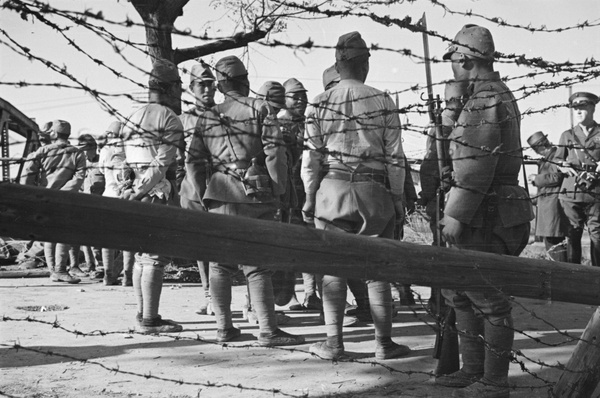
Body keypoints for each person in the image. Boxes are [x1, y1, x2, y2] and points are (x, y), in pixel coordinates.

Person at [435, 25, 534, 398]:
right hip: (489, 207)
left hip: (484, 211)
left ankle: (493, 381)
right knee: (460, 291)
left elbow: (475, 165)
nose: (452, 69)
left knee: (487, 298)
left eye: (454, 61)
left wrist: (456, 214)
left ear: (465, 59)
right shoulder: (487, 95)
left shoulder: (485, 99)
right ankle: (473, 370)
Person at [301, 31, 411, 361]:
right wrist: (396, 196)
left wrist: (309, 195)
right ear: (365, 64)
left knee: (333, 267)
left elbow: (311, 157)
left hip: (332, 186)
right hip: (373, 187)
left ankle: (334, 343)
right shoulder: (382, 100)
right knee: (377, 266)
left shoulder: (319, 102)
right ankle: (384, 343)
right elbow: (395, 156)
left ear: (337, 64)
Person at [185, 55, 305, 347]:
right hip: (256, 194)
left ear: (222, 84)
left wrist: (204, 194)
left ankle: (224, 327)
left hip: (218, 194)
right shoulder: (259, 107)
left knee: (219, 264)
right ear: (246, 80)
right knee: (258, 264)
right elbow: (275, 152)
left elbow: (194, 163)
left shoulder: (207, 116)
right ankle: (268, 329)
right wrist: (277, 190)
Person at [120, 58, 184, 334]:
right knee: (155, 258)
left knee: (140, 257)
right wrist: (143, 190)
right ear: (170, 88)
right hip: (156, 192)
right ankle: (150, 320)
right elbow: (162, 162)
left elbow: (122, 159)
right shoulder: (169, 117)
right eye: (179, 86)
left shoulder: (132, 116)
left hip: (134, 188)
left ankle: (142, 312)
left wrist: (130, 188)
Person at [20, 120, 86, 284]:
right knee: (63, 234)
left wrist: (32, 192)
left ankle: (52, 271)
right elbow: (78, 179)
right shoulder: (77, 153)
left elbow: (28, 173)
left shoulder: (43, 151)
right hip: (65, 199)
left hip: (44, 197)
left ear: (54, 134)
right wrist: (62, 193)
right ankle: (61, 270)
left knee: (48, 234)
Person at [279, 77, 323, 312]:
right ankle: (290, 295)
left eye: (303, 95)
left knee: (311, 244)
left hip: (309, 191)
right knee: (289, 245)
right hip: (288, 194)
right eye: (294, 96)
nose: (300, 100)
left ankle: (311, 293)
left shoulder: (311, 123)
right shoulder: (277, 124)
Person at [179, 62, 217, 314]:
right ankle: (209, 294)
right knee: (202, 246)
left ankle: (249, 302)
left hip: (222, 184)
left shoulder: (224, 113)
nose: (207, 89)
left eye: (210, 84)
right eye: (201, 85)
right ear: (191, 88)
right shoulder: (183, 120)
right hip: (193, 188)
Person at [555, 92, 600, 267]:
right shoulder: (567, 135)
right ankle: (574, 274)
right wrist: (562, 165)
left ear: (593, 108)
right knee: (573, 235)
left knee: (597, 235)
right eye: (576, 109)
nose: (579, 112)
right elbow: (558, 159)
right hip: (571, 193)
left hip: (595, 194)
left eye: (583, 108)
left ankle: (597, 276)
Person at [98, 121, 135, 286]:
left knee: (108, 240)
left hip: (108, 196)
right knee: (128, 240)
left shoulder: (106, 150)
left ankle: (108, 275)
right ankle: (127, 276)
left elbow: (100, 169)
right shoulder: (131, 150)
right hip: (126, 198)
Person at [527, 131, 568, 262]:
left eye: (536, 150)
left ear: (541, 147)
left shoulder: (556, 156)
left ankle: (561, 272)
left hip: (553, 206)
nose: (537, 153)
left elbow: (557, 177)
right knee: (551, 242)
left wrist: (536, 179)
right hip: (548, 205)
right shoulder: (548, 158)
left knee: (554, 242)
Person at [69, 133, 105, 278]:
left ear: (94, 148)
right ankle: (77, 266)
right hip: (80, 203)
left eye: (86, 149)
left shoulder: (102, 163)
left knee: (96, 238)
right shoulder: (77, 165)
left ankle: (98, 265)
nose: (83, 152)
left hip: (98, 205)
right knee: (77, 236)